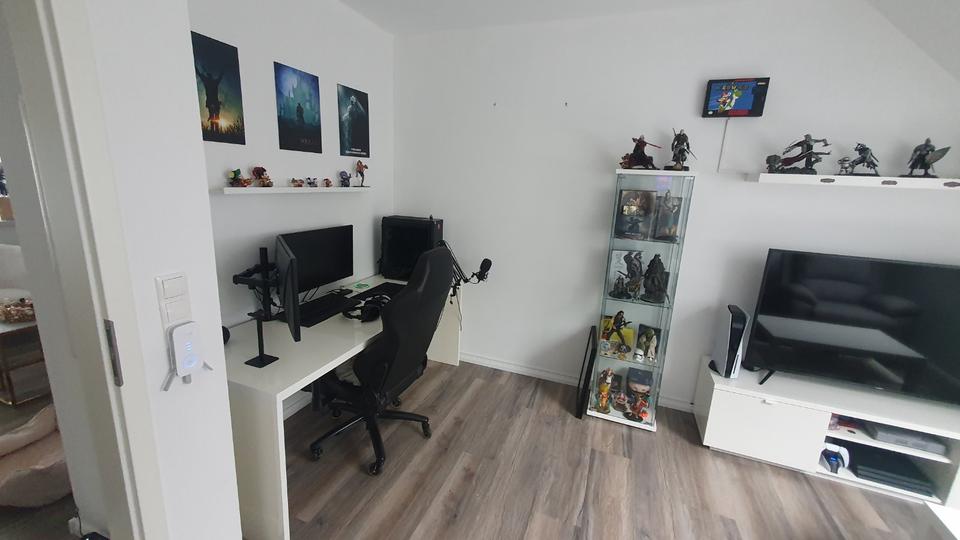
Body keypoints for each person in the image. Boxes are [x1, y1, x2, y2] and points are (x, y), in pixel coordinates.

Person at [195, 67, 223, 132]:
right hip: (214, 102)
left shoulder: (208, 82)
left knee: (213, 117)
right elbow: (220, 77)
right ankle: (215, 131)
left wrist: (197, 70)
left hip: (212, 102)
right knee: (214, 117)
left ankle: (214, 131)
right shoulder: (213, 82)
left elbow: (200, 74)